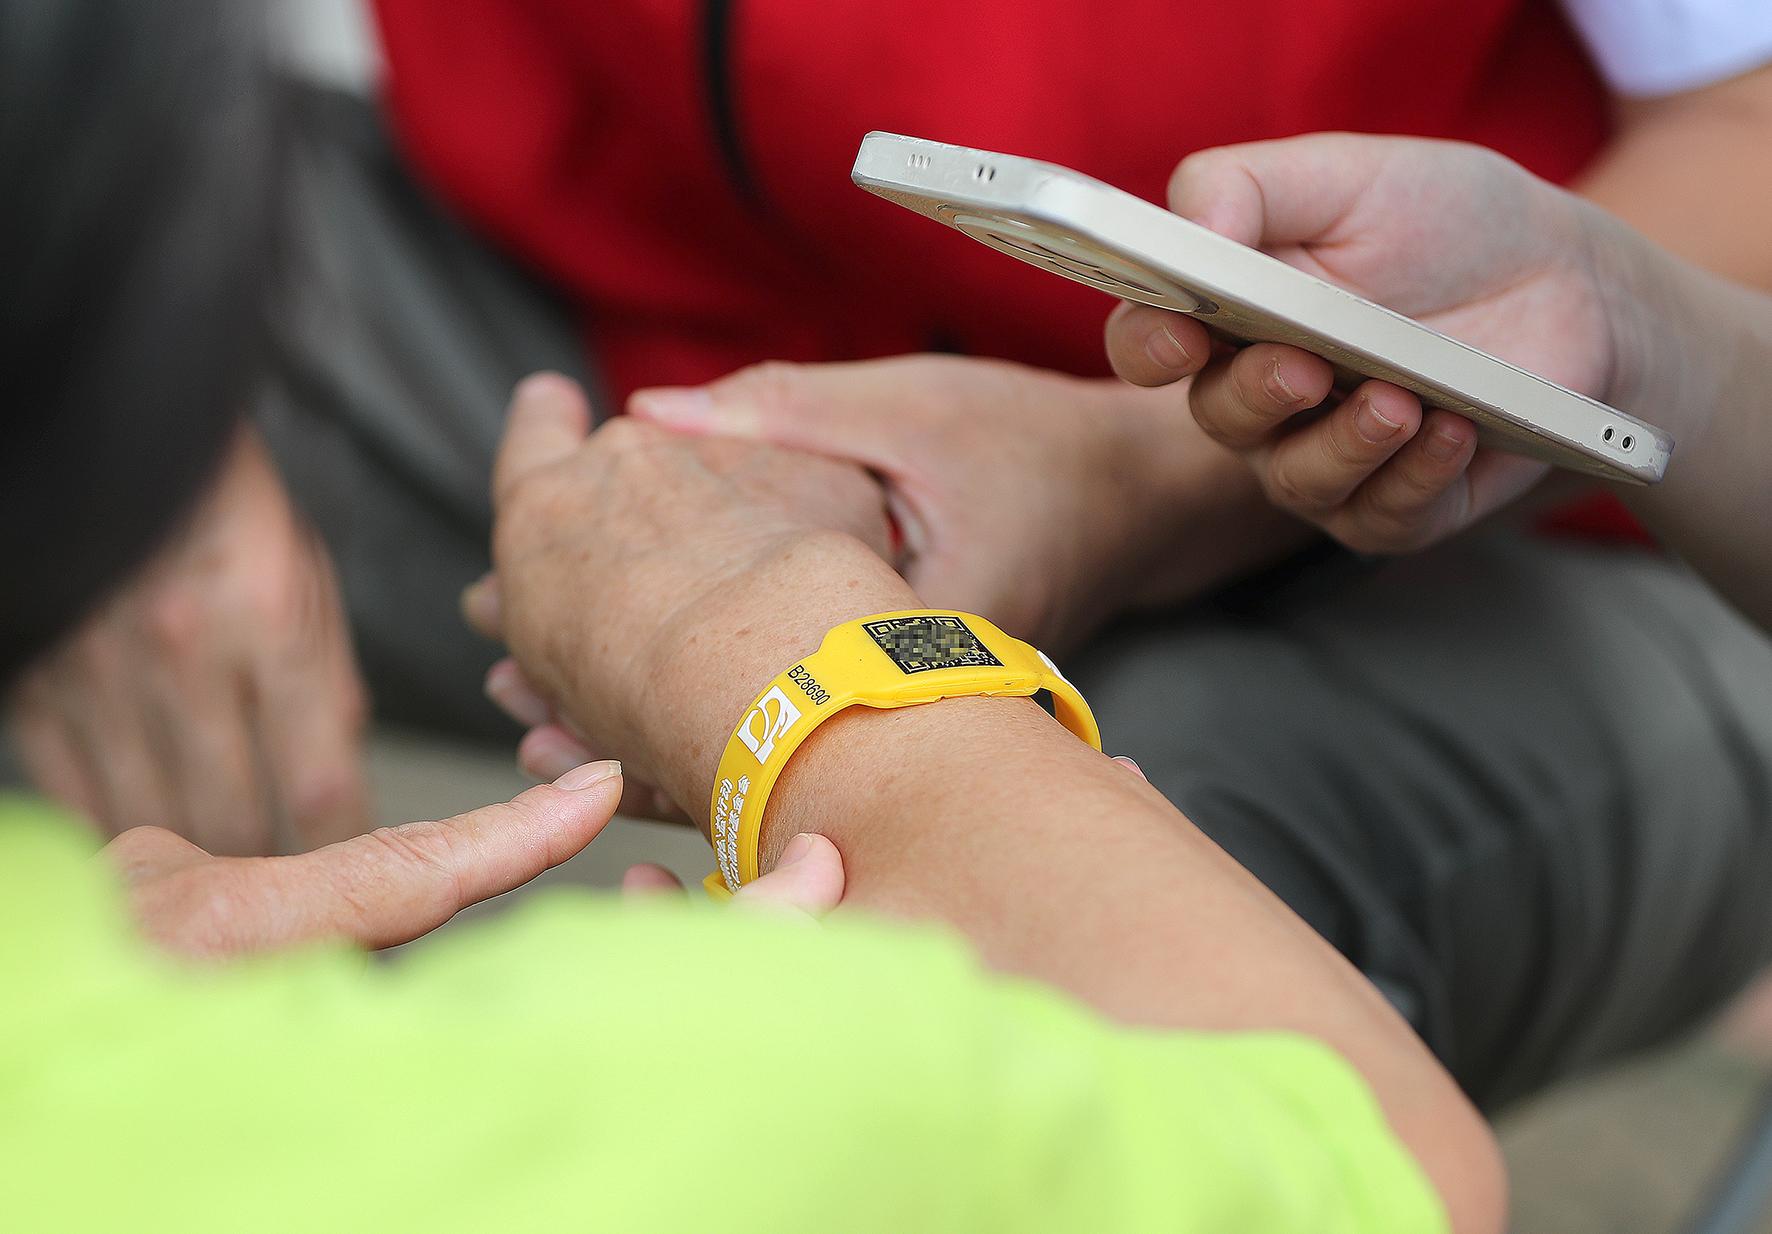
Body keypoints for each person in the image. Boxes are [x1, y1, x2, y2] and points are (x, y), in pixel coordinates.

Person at [12, 0, 1772, 1113]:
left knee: (1117, 928)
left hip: (1518, 530)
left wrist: (1125, 470)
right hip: (635, 327)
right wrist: (121, 380)